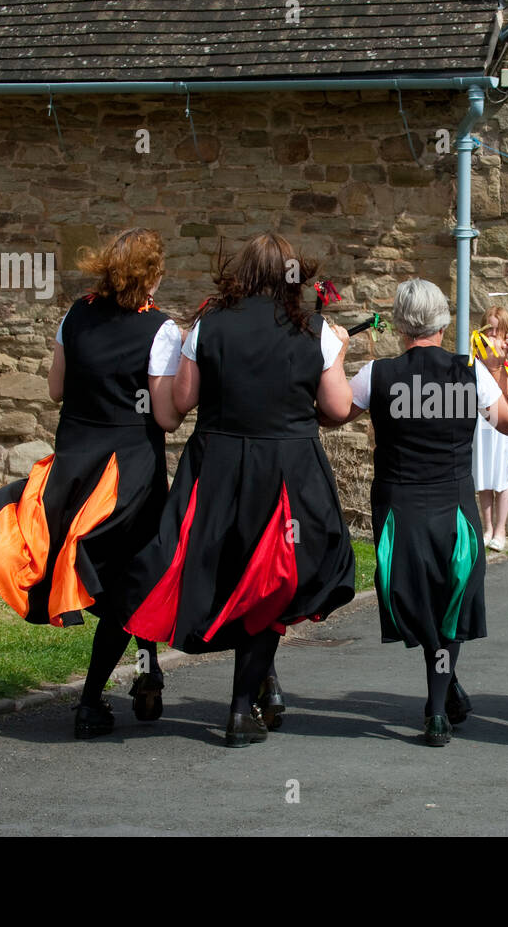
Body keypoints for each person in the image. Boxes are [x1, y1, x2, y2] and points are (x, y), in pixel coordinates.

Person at [0, 227, 184, 739]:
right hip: (128, 473)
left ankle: (149, 671)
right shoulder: (162, 330)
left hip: (75, 465)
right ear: (152, 275)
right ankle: (92, 701)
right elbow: (164, 419)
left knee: (126, 575)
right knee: (128, 581)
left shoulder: (76, 314)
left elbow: (56, 388)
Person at [121, 232, 356, 748]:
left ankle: (259, 687)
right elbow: (337, 410)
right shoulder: (315, 331)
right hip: (287, 471)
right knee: (273, 578)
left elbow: (181, 402)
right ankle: (240, 706)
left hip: (219, 467)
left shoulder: (208, 325)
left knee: (226, 571)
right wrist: (332, 362)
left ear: (242, 273)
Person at [328, 280, 508, 744]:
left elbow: (332, 412)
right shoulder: (469, 372)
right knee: (450, 600)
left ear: (398, 323)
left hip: (400, 507)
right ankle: (441, 697)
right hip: (454, 504)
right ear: (444, 322)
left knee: (414, 599)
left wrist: (335, 353)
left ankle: (438, 704)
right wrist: (499, 373)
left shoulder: (377, 374)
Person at [472, 305, 508, 551]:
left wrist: (503, 363)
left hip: (502, 420)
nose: (492, 336)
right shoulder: (476, 357)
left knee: (501, 475)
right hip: (481, 421)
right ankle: (487, 527)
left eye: (497, 331)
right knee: (483, 475)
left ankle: (501, 529)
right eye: (488, 330)